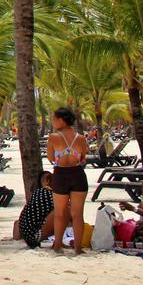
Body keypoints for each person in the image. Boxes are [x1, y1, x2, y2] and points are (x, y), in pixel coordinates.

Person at [47, 106, 89, 254]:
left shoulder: (53, 137)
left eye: (54, 119)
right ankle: (78, 247)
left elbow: (51, 158)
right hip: (77, 175)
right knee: (77, 214)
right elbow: (83, 157)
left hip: (60, 175)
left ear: (61, 120)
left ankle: (57, 245)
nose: (52, 122)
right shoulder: (81, 138)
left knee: (59, 213)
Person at [12, 171, 55, 248]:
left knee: (18, 222)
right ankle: (58, 243)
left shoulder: (37, 193)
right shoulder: (50, 195)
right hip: (35, 236)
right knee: (63, 210)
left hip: (27, 233)